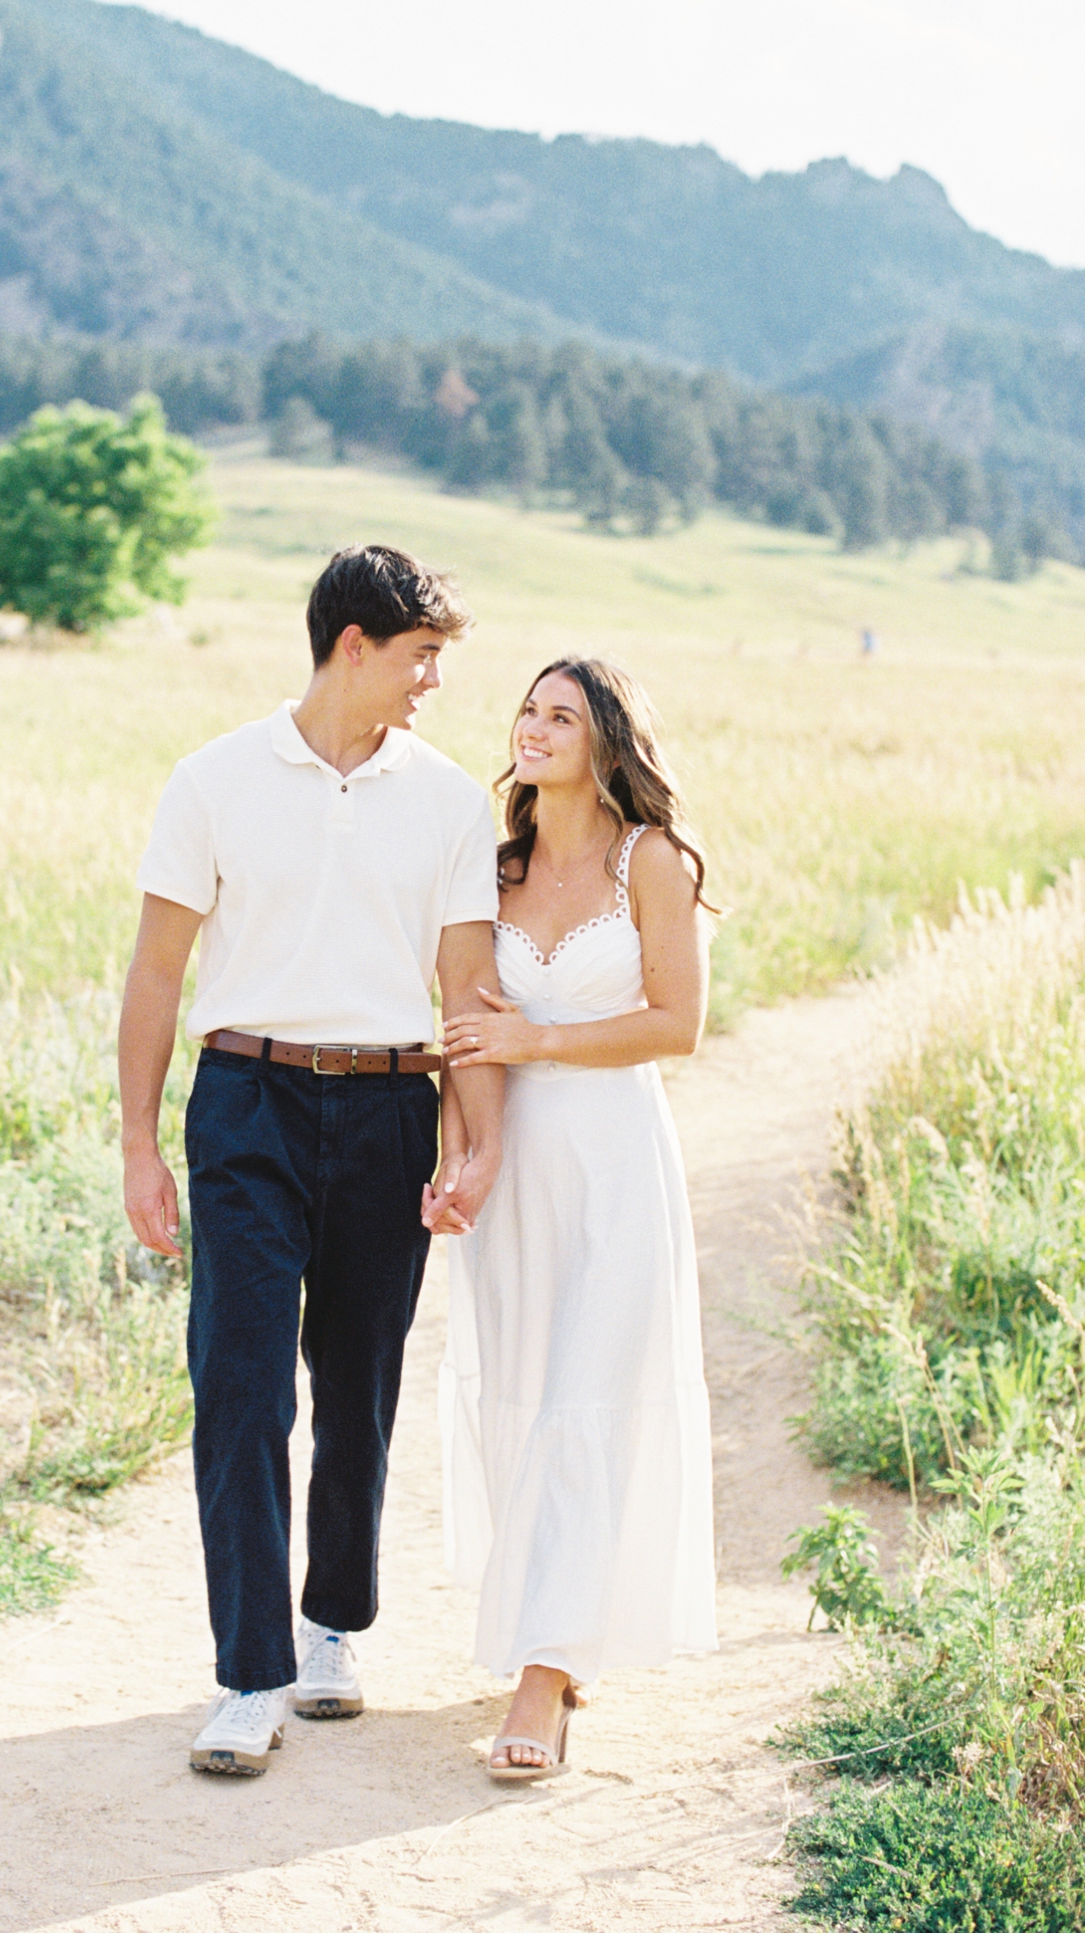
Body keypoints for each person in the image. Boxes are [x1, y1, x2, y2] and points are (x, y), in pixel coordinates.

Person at [120, 544, 506, 1776]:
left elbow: (465, 988)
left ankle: (331, 1621)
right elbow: (156, 971)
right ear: (353, 643)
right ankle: (248, 1673)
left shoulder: (448, 799)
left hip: (391, 1104)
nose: (432, 680)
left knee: (358, 1381)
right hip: (245, 1098)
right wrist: (138, 1139)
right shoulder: (214, 778)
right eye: (419, 655)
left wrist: (473, 1132)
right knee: (239, 1381)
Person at [428, 656, 718, 1779]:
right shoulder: (489, 868)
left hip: (611, 1160)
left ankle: (541, 1676)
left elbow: (675, 1023)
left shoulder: (653, 862)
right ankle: (563, 1616)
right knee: (524, 1390)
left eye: (562, 713)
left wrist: (538, 1039)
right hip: (515, 1169)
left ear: (606, 740)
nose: (534, 726)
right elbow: (462, 1022)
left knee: (587, 1393)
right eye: (528, 710)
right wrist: (461, 1150)